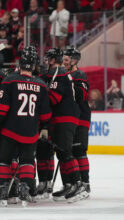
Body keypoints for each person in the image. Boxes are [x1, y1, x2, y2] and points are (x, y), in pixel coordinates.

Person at [0, 48, 51, 206]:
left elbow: (2, 107)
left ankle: (4, 191)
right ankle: (25, 190)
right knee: (27, 160)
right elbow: (45, 113)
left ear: (20, 64)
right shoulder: (41, 85)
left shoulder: (9, 80)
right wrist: (44, 126)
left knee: (4, 160)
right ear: (33, 66)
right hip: (30, 131)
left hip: (10, 129)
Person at [40, 48, 88, 202]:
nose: (46, 61)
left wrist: (40, 94)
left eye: (48, 58)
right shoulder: (57, 73)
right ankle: (70, 184)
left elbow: (54, 99)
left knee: (66, 152)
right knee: (61, 152)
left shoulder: (59, 73)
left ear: (53, 59)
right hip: (62, 117)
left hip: (66, 117)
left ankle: (79, 185)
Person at [63, 48, 91, 195]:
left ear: (74, 60)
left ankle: (85, 183)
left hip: (81, 118)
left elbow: (81, 95)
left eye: (67, 59)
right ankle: (73, 183)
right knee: (71, 151)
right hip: (73, 118)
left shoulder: (79, 74)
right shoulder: (66, 74)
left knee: (79, 151)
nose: (65, 62)